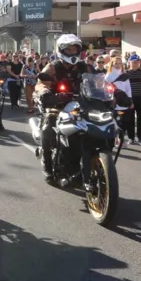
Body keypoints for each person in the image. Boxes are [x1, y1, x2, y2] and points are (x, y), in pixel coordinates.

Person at [34, 33, 95, 190]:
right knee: (47, 130)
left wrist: (116, 93)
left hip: (82, 106)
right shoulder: (53, 67)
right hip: (57, 105)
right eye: (68, 49)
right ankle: (47, 166)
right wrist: (45, 93)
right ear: (61, 51)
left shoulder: (85, 66)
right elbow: (40, 83)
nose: (72, 52)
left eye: (74, 48)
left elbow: (101, 82)